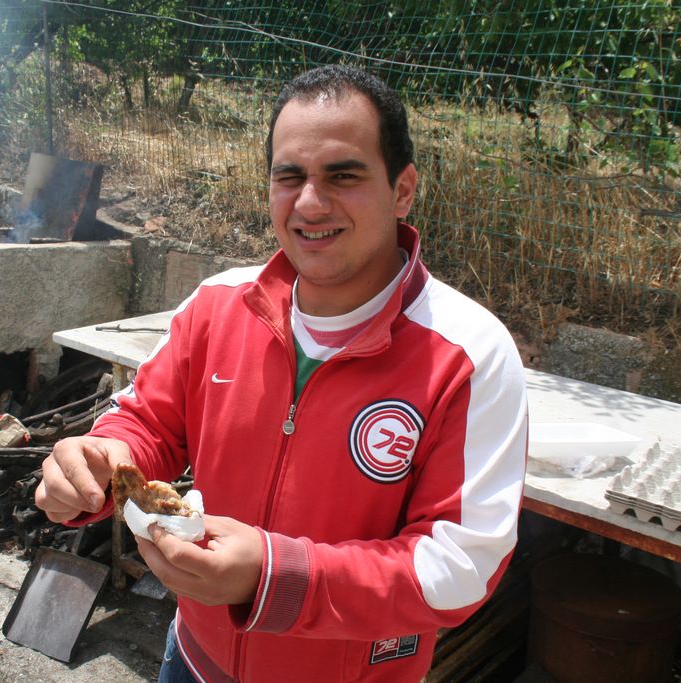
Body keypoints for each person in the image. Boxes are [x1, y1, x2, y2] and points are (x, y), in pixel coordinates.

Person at [36, 64, 528, 683]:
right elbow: (149, 422)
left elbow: (460, 568)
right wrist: (99, 463)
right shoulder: (217, 307)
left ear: (403, 190)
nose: (310, 203)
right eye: (289, 176)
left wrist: (275, 576)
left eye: (343, 175)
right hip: (193, 659)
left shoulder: (469, 355)